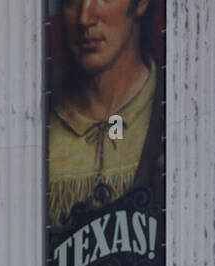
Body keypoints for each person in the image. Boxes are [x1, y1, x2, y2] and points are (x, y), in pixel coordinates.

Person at [48, 0, 162, 229]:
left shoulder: (170, 108)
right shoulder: (40, 120)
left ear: (140, 4)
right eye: (71, 2)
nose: (84, 18)